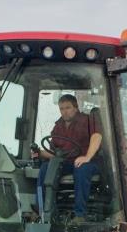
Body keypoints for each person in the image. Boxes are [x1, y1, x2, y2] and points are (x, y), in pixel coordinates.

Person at [35, 94, 101, 223]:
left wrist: (87, 157)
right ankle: (41, 211)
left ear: (75, 107)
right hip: (65, 162)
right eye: (61, 108)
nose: (64, 111)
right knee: (45, 168)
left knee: (81, 168)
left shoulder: (88, 120)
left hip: (88, 162)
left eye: (68, 108)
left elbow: (97, 136)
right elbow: (54, 153)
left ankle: (80, 214)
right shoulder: (58, 126)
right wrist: (40, 153)